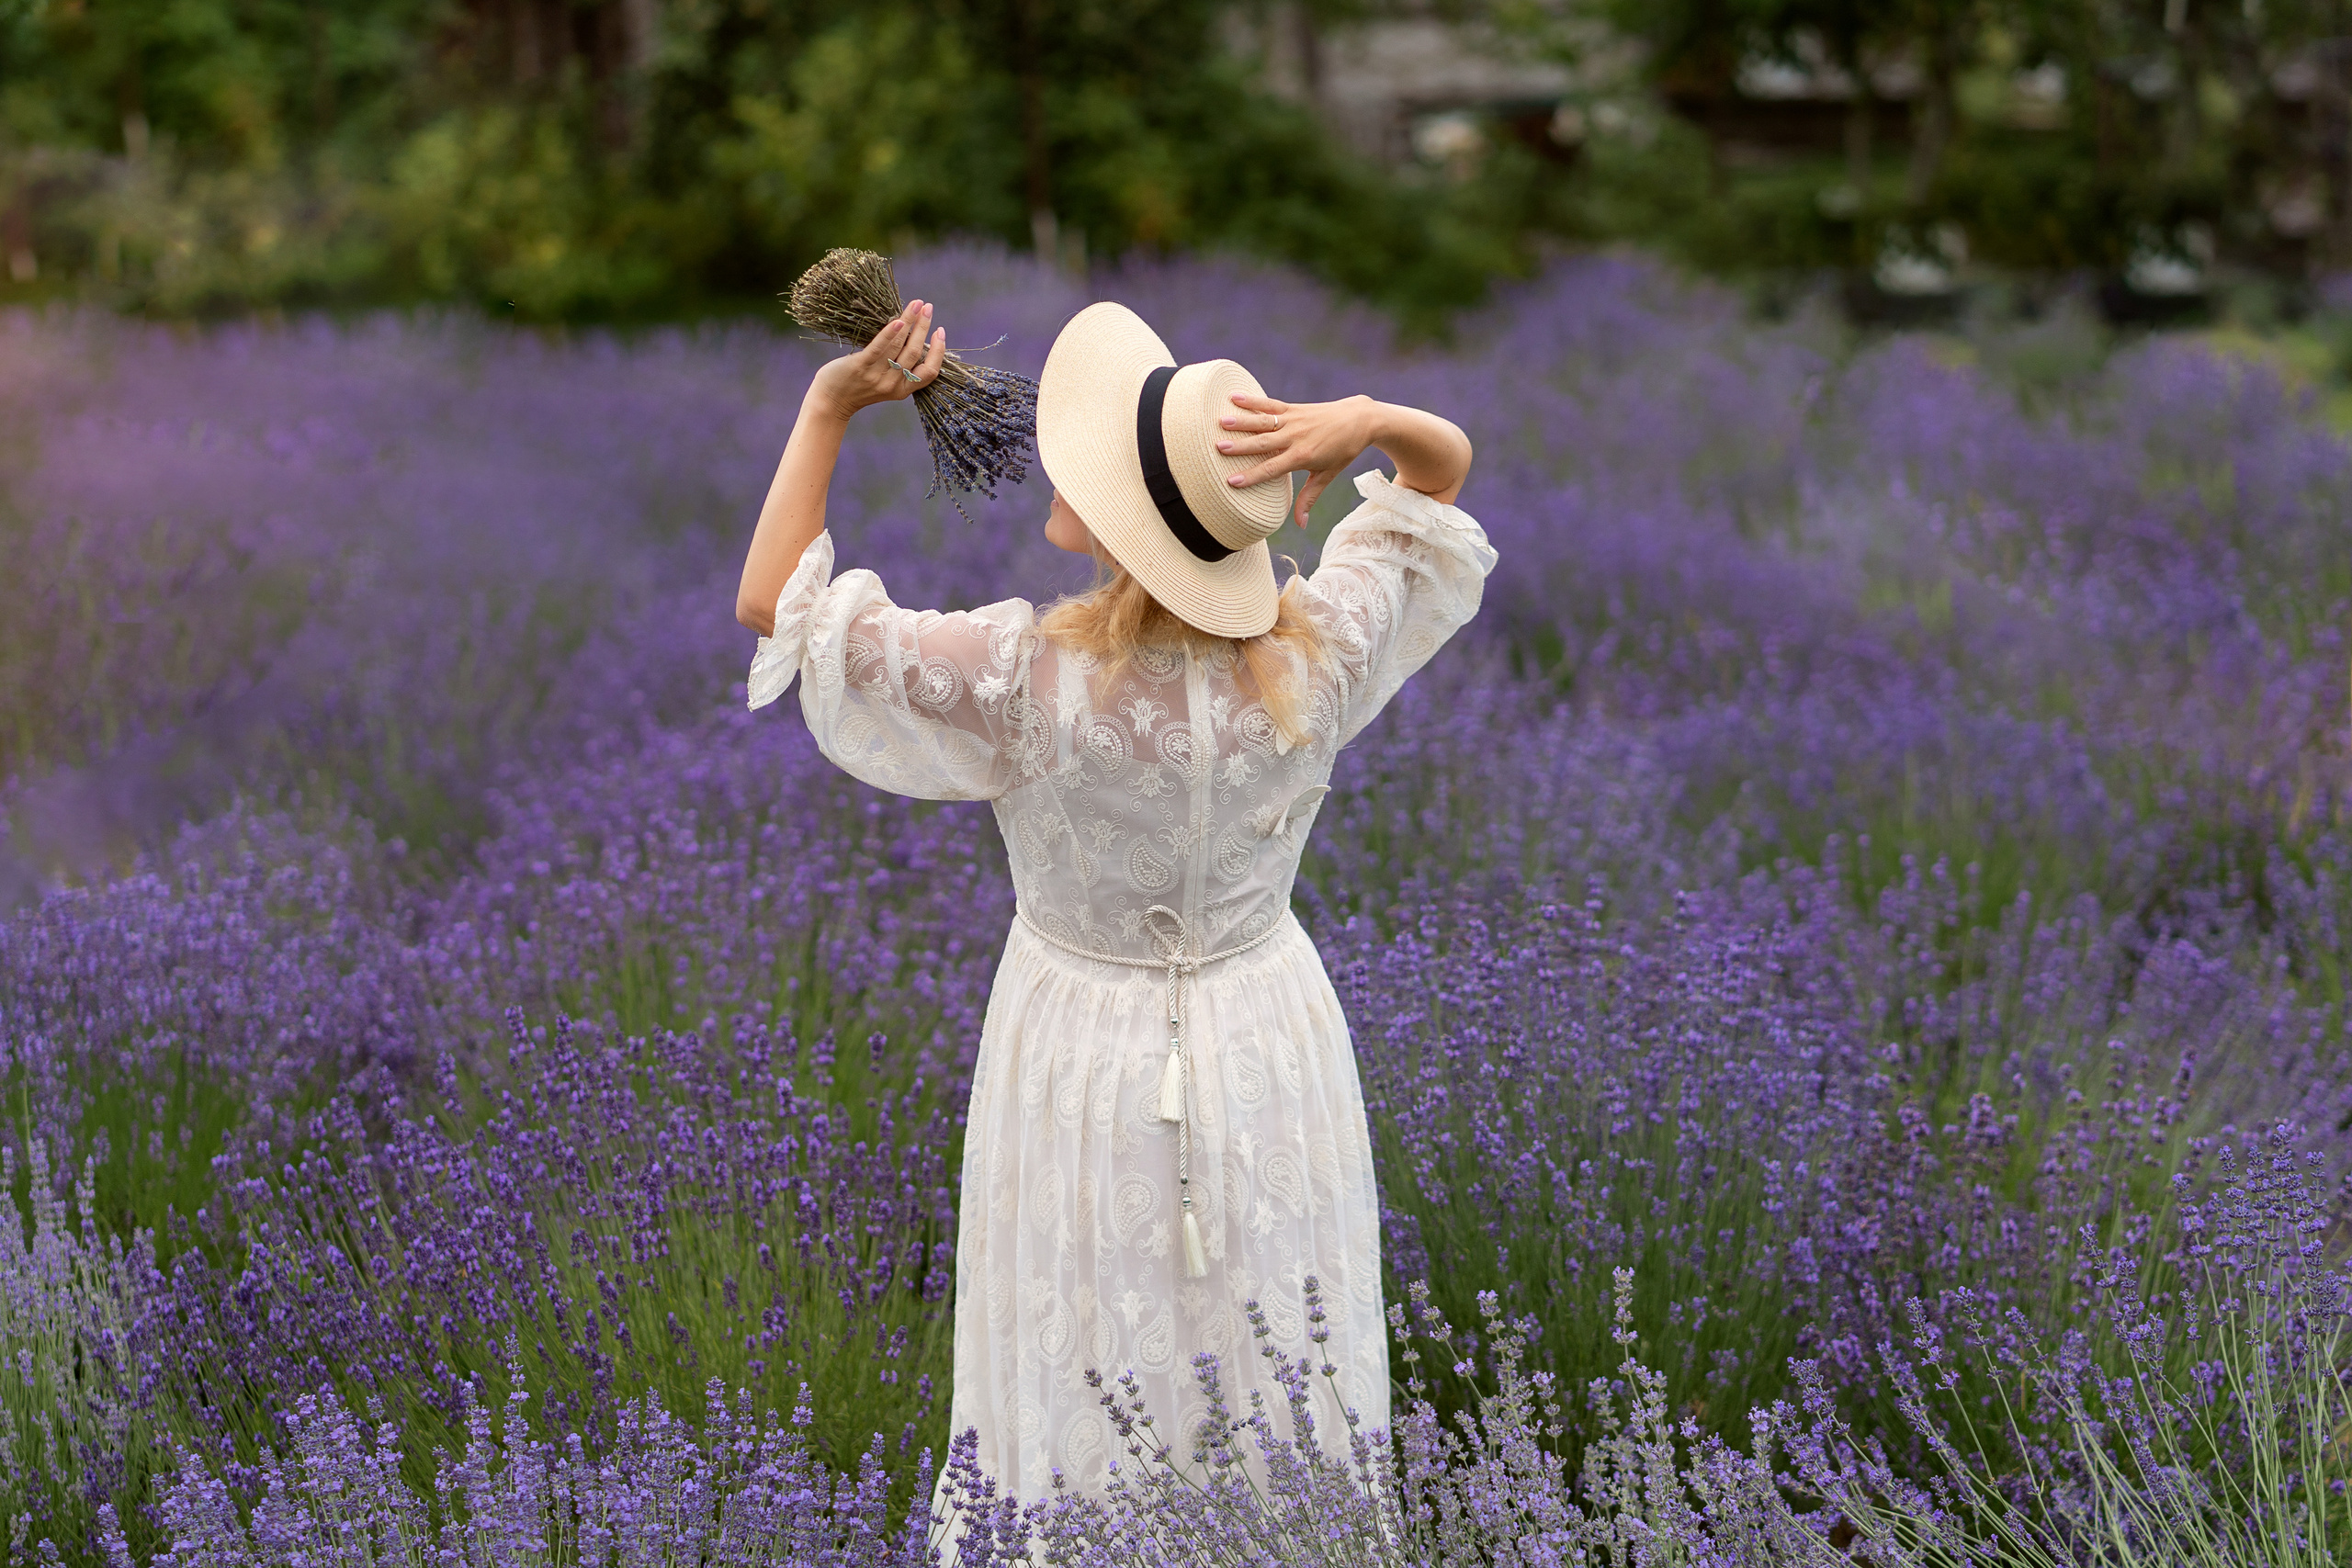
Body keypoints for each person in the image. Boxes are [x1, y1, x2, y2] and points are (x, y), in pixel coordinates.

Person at [735, 294, 1492, 1518]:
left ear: (1131, 532)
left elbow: (775, 602)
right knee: (1276, 1356)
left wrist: (827, 407)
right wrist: (1360, 419)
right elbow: (1436, 482)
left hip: (1078, 1052)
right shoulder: (1320, 651)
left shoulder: (1023, 674)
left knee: (1084, 1367)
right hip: (1268, 1040)